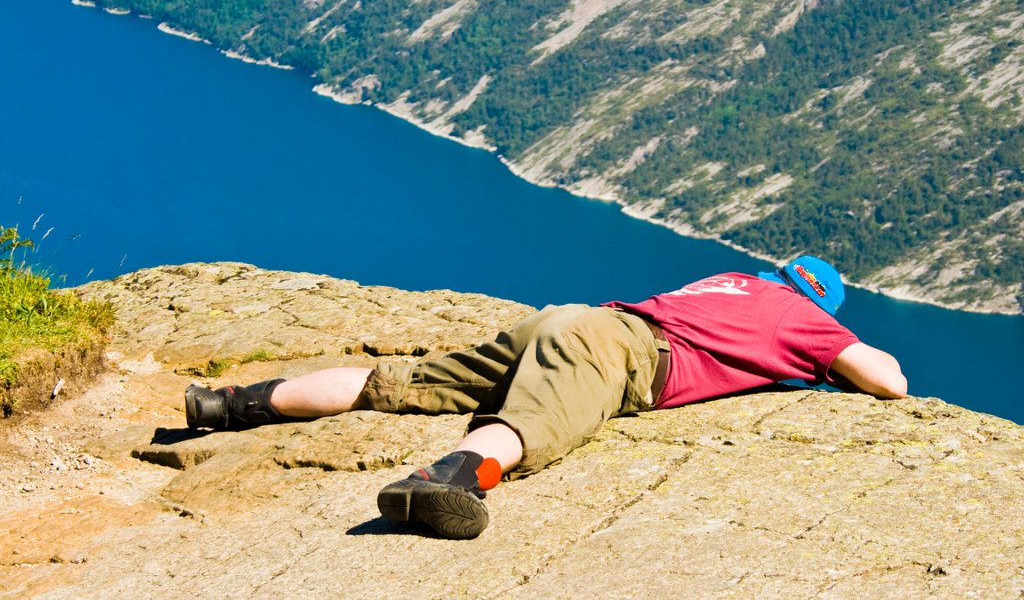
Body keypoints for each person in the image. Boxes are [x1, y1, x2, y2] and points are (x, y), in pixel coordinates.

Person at [184, 256, 906, 539]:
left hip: (571, 318)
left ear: (777, 270)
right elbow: (889, 380)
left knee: (402, 382)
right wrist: (824, 360)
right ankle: (449, 480)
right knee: (537, 421)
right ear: (822, 305)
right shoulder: (807, 319)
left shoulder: (731, 281)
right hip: (617, 352)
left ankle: (230, 404)